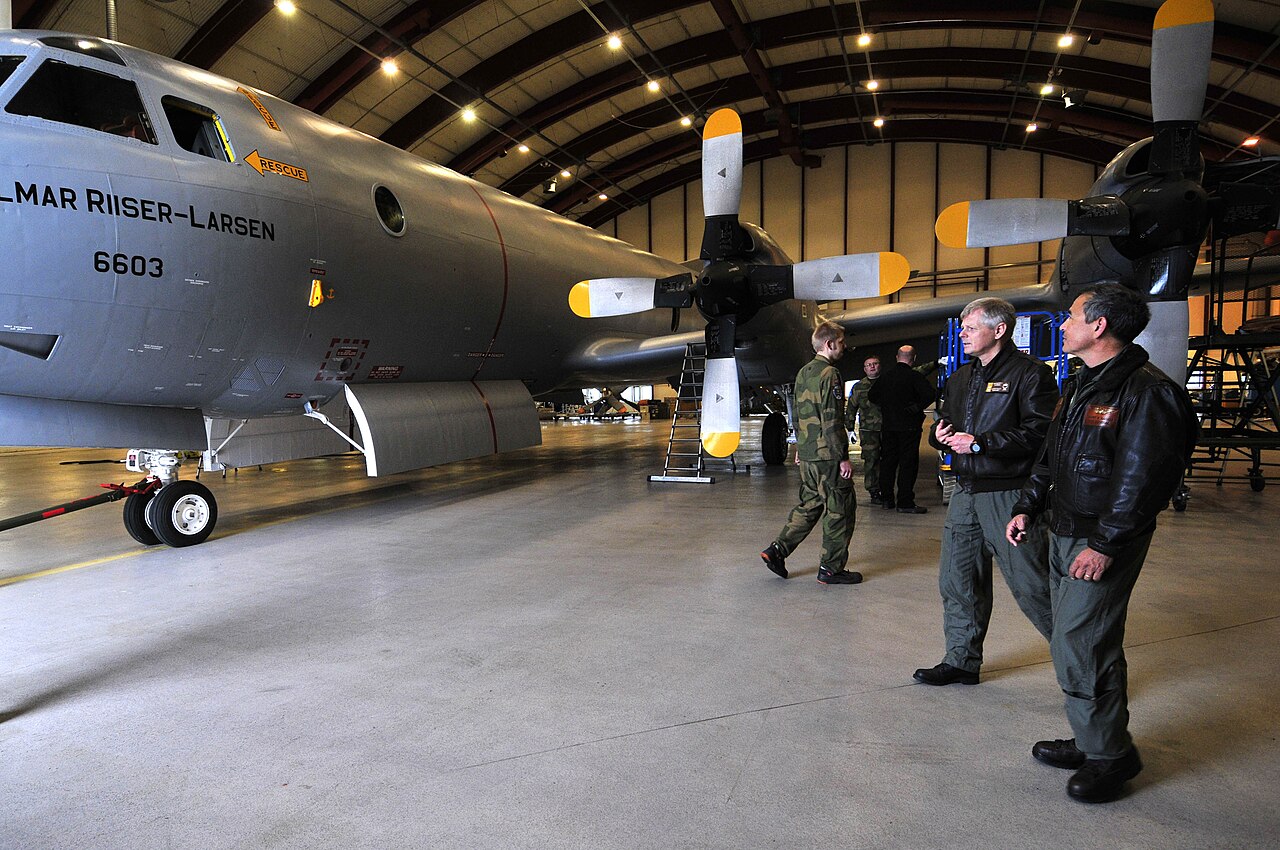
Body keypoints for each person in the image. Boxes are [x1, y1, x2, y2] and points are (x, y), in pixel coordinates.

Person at [1005, 284, 1197, 804]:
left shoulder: (1146, 391)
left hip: (1099, 539)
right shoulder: (1083, 383)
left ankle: (1112, 757)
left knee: (1081, 642)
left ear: (1099, 326)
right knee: (1082, 641)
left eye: (1071, 316)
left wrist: (1107, 544)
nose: (1063, 324)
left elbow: (1145, 480)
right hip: (1064, 529)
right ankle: (1092, 737)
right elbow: (1051, 457)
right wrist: (1027, 505)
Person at [913, 298, 1059, 687]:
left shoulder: (1031, 375)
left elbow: (1041, 434)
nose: (962, 334)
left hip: (1009, 494)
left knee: (1033, 586)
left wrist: (980, 444)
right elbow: (944, 426)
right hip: (965, 493)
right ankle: (961, 660)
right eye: (962, 327)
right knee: (958, 580)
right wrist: (940, 436)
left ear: (999, 330)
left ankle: (1084, 668)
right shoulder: (961, 377)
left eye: (970, 327)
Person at [760, 320, 862, 585]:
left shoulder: (803, 373)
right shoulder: (830, 374)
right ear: (829, 344)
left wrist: (800, 446)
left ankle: (777, 550)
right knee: (839, 510)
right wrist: (842, 457)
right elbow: (831, 419)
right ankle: (831, 568)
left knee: (810, 505)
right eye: (841, 342)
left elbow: (796, 414)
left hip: (808, 455)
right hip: (827, 456)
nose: (844, 347)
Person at [868, 345, 935, 513]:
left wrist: (888, 406)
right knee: (908, 464)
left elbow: (872, 395)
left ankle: (887, 499)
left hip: (888, 426)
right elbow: (930, 394)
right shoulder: (915, 377)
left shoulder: (885, 377)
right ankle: (905, 502)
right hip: (909, 427)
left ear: (897, 357)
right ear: (914, 359)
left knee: (887, 462)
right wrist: (916, 407)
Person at [846, 355, 884, 504]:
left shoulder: (887, 382)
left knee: (888, 460)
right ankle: (873, 490)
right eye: (869, 365)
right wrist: (850, 428)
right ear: (864, 369)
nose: (872, 367)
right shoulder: (859, 387)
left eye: (875, 363)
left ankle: (886, 488)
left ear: (880, 366)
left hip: (887, 429)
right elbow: (851, 408)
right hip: (868, 431)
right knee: (871, 460)